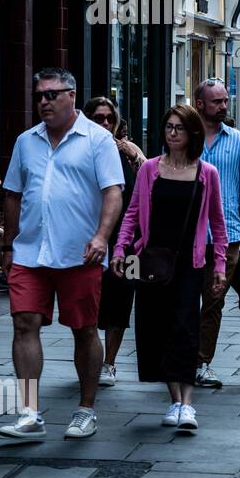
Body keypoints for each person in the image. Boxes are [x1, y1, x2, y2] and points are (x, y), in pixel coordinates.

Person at [0, 68, 124, 442]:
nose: (43, 102)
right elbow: (12, 194)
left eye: (51, 95)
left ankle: (86, 410)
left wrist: (102, 237)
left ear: (71, 95)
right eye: (39, 95)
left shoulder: (98, 140)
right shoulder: (26, 141)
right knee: (24, 324)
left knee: (83, 330)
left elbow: (113, 192)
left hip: (79, 253)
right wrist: (8, 244)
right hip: (30, 252)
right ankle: (30, 412)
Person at [115, 104, 228, 432]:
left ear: (192, 132)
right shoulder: (150, 169)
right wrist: (121, 250)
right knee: (157, 329)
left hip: (190, 264)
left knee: (185, 327)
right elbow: (132, 213)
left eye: (179, 128)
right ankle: (174, 399)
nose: (173, 133)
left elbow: (218, 226)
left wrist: (219, 266)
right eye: (168, 127)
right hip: (150, 261)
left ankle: (187, 404)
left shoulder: (207, 173)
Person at [193, 79, 240, 389]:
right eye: (216, 101)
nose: (223, 106)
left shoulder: (239, 142)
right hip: (187, 237)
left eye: (225, 100)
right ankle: (180, 358)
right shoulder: (184, 138)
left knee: (213, 302)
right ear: (200, 105)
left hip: (228, 237)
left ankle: (201, 362)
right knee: (182, 301)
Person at [83, 97, 146, 387]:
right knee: (89, 304)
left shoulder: (128, 152)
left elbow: (150, 185)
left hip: (128, 244)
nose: (105, 124)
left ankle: (109, 363)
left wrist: (135, 157)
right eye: (98, 118)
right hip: (89, 241)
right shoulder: (81, 151)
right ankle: (90, 358)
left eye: (110, 118)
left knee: (122, 301)